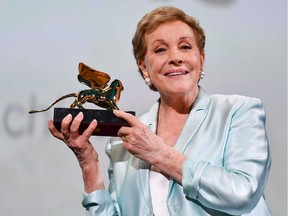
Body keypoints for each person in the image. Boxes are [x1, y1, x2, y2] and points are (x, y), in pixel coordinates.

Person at [48, 6, 272, 216]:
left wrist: (159, 153)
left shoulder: (239, 111)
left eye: (185, 46)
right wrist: (88, 164)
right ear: (144, 67)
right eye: (160, 49)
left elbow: (243, 192)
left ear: (200, 59)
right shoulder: (124, 138)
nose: (175, 58)